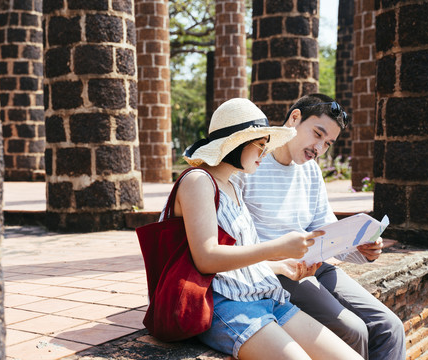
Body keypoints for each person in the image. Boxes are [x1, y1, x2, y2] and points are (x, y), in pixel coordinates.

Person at [167, 98, 363, 360]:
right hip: (225, 304)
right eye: (260, 145)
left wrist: (282, 267)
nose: (265, 153)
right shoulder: (198, 181)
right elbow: (206, 259)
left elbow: (239, 257)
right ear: (237, 143)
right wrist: (278, 248)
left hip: (264, 294)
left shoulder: (233, 185)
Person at [232, 94, 406, 360]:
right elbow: (235, 240)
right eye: (317, 134)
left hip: (316, 265)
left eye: (328, 143)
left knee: (390, 326)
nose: (319, 148)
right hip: (278, 271)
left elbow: (328, 233)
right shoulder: (251, 163)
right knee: (354, 329)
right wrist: (281, 260)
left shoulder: (311, 172)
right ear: (294, 118)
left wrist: (363, 248)